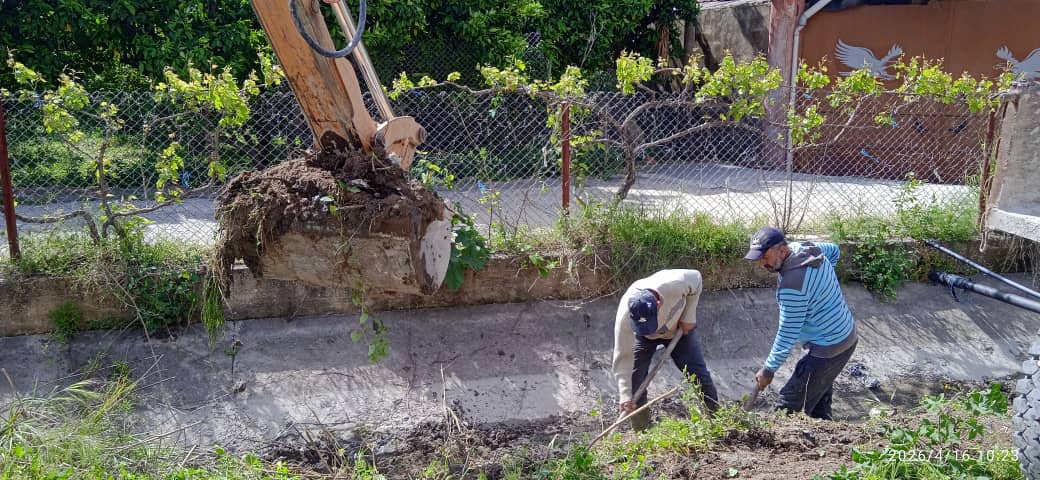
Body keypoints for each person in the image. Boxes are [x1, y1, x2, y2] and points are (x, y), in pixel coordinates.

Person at [744, 226, 858, 420]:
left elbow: (787, 333)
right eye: (759, 259)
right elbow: (834, 250)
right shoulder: (808, 248)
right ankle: (828, 438)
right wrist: (824, 284)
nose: (762, 264)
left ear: (781, 250)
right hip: (847, 335)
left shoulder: (792, 286)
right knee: (818, 409)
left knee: (786, 408)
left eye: (765, 257)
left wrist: (768, 370)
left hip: (829, 348)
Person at [612, 269, 719, 431]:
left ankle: (717, 422)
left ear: (659, 303)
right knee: (635, 382)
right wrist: (625, 394)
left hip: (679, 331)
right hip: (643, 340)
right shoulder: (625, 315)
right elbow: (622, 354)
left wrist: (688, 316)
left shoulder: (675, 284)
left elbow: (697, 278)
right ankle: (643, 432)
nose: (650, 330)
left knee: (698, 374)